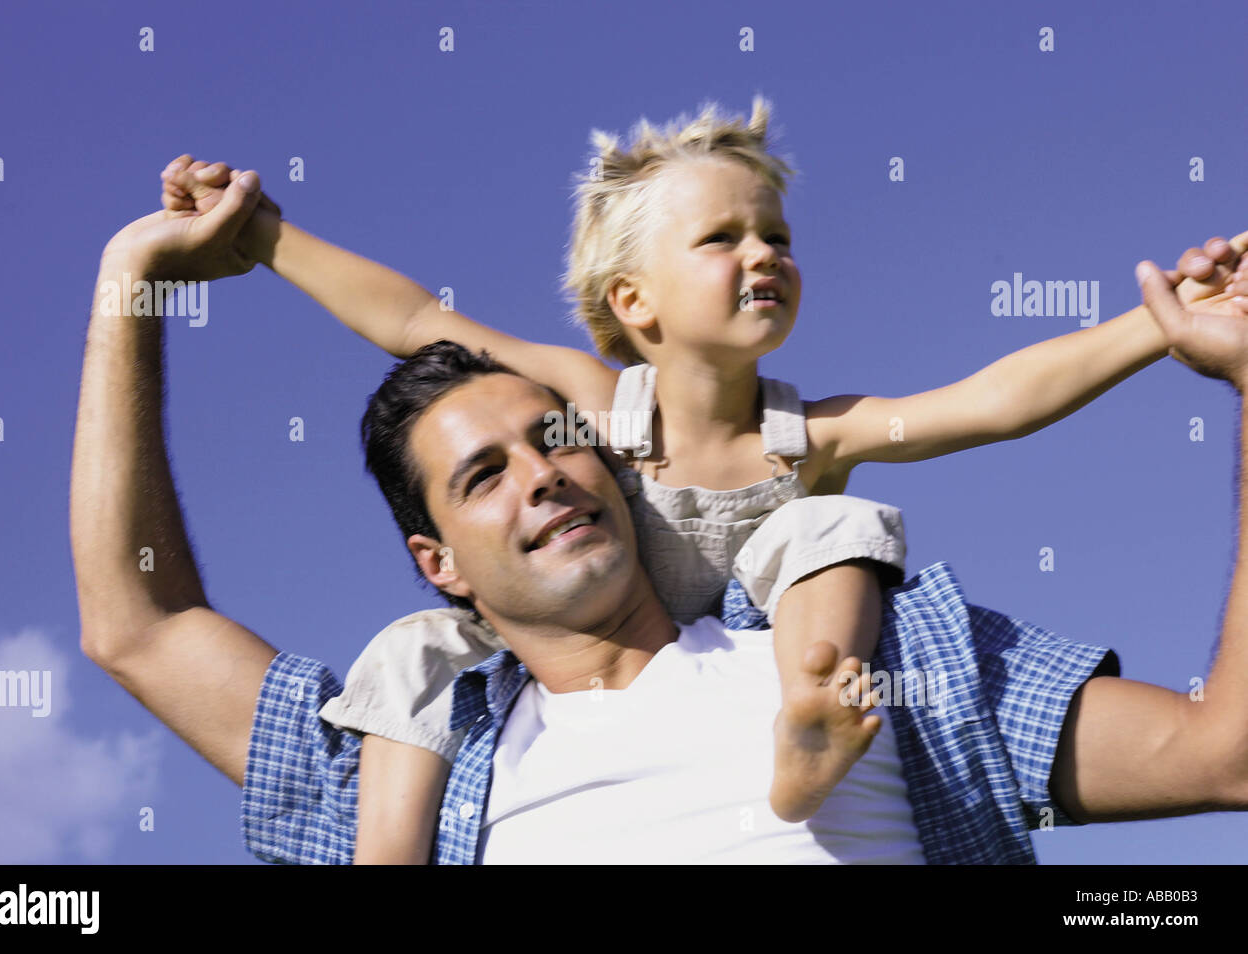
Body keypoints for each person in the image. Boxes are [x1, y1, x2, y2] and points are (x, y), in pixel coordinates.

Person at [155, 97, 1248, 861]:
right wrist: (263, 236)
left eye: (774, 233)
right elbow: (412, 319)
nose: (762, 253)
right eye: (721, 238)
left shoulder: (808, 433)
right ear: (634, 302)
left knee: (832, 525)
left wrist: (1159, 328)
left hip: (752, 656)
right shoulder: (589, 404)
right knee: (409, 650)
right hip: (583, 654)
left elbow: (1001, 397)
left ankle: (812, 707)